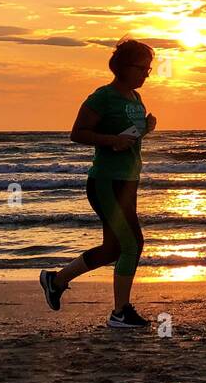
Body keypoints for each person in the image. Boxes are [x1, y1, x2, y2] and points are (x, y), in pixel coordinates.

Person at [40, 39, 157, 329]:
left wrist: (146, 128)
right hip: (106, 181)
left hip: (129, 181)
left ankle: (56, 280)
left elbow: (128, 138)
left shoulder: (135, 98)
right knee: (133, 245)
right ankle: (120, 312)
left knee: (113, 249)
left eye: (149, 69)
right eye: (143, 68)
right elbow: (77, 133)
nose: (147, 74)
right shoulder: (102, 97)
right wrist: (111, 140)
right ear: (123, 67)